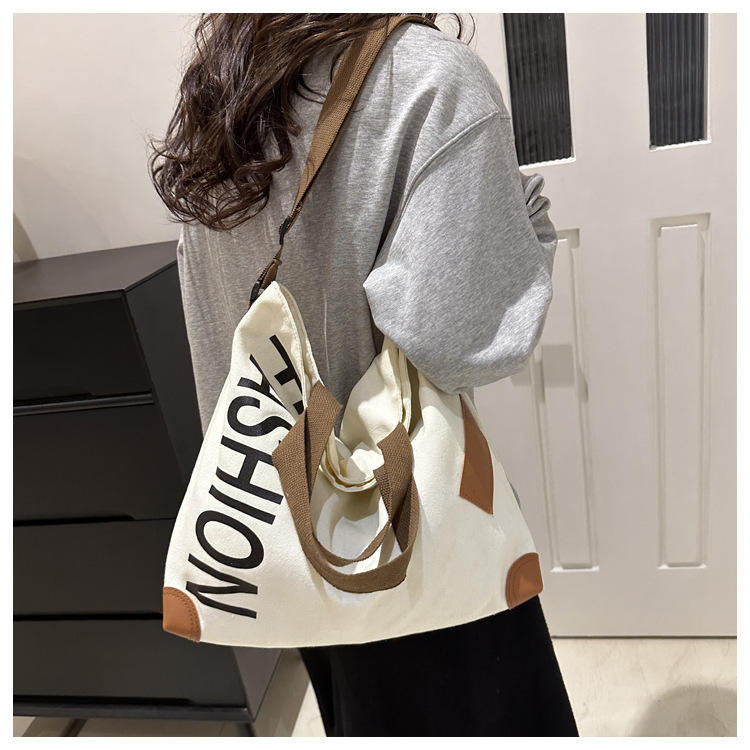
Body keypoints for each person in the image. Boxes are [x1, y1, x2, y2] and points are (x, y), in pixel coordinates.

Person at [150, 13, 579, 737]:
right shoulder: (430, 82)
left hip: (288, 525)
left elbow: (216, 338)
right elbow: (459, 339)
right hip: (413, 530)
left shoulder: (221, 96)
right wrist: (525, 218)